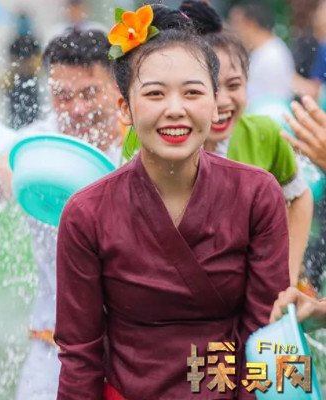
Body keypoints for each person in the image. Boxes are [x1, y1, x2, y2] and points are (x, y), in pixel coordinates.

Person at [55, 4, 289, 399]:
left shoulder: (257, 194)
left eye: (193, 92)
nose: (175, 110)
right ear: (125, 109)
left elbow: (266, 337)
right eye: (155, 94)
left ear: (215, 102)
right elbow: (79, 355)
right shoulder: (86, 213)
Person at [124, 0, 313, 286]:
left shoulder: (263, 134)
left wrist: (286, 274)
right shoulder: (150, 141)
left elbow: (299, 196)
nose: (222, 101)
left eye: (234, 85)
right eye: (201, 89)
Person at [0, 29, 122, 400]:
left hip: (129, 341)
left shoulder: (139, 146)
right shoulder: (35, 144)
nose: (77, 109)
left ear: (118, 87)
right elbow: (2, 164)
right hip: (53, 338)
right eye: (63, 96)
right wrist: (4, 170)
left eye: (90, 93)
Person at [228, 1, 295, 105]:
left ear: (250, 25)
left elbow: (272, 101)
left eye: (236, 25)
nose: (233, 32)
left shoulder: (272, 55)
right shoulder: (264, 51)